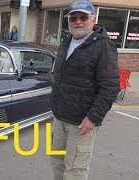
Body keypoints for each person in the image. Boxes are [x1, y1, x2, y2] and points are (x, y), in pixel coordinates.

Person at [50, 1, 120, 180]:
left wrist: (93, 118)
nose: (78, 21)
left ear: (93, 19)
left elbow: (110, 88)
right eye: (73, 17)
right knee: (57, 162)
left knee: (75, 169)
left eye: (83, 17)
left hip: (81, 122)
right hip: (59, 117)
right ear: (68, 21)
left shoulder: (103, 45)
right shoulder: (66, 41)